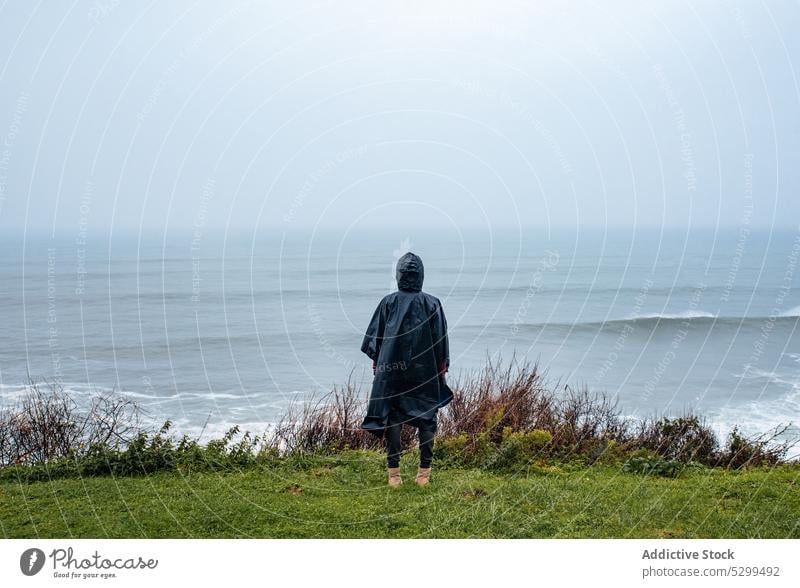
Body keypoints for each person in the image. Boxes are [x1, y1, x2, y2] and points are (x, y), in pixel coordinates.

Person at [360, 252, 453, 487]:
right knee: (427, 418)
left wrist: (378, 365)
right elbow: (440, 341)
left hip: (391, 372)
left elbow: (375, 339)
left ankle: (394, 476)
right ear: (421, 275)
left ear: (399, 275)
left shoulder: (388, 302)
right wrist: (441, 370)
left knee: (393, 417)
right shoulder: (432, 303)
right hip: (425, 372)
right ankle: (423, 476)